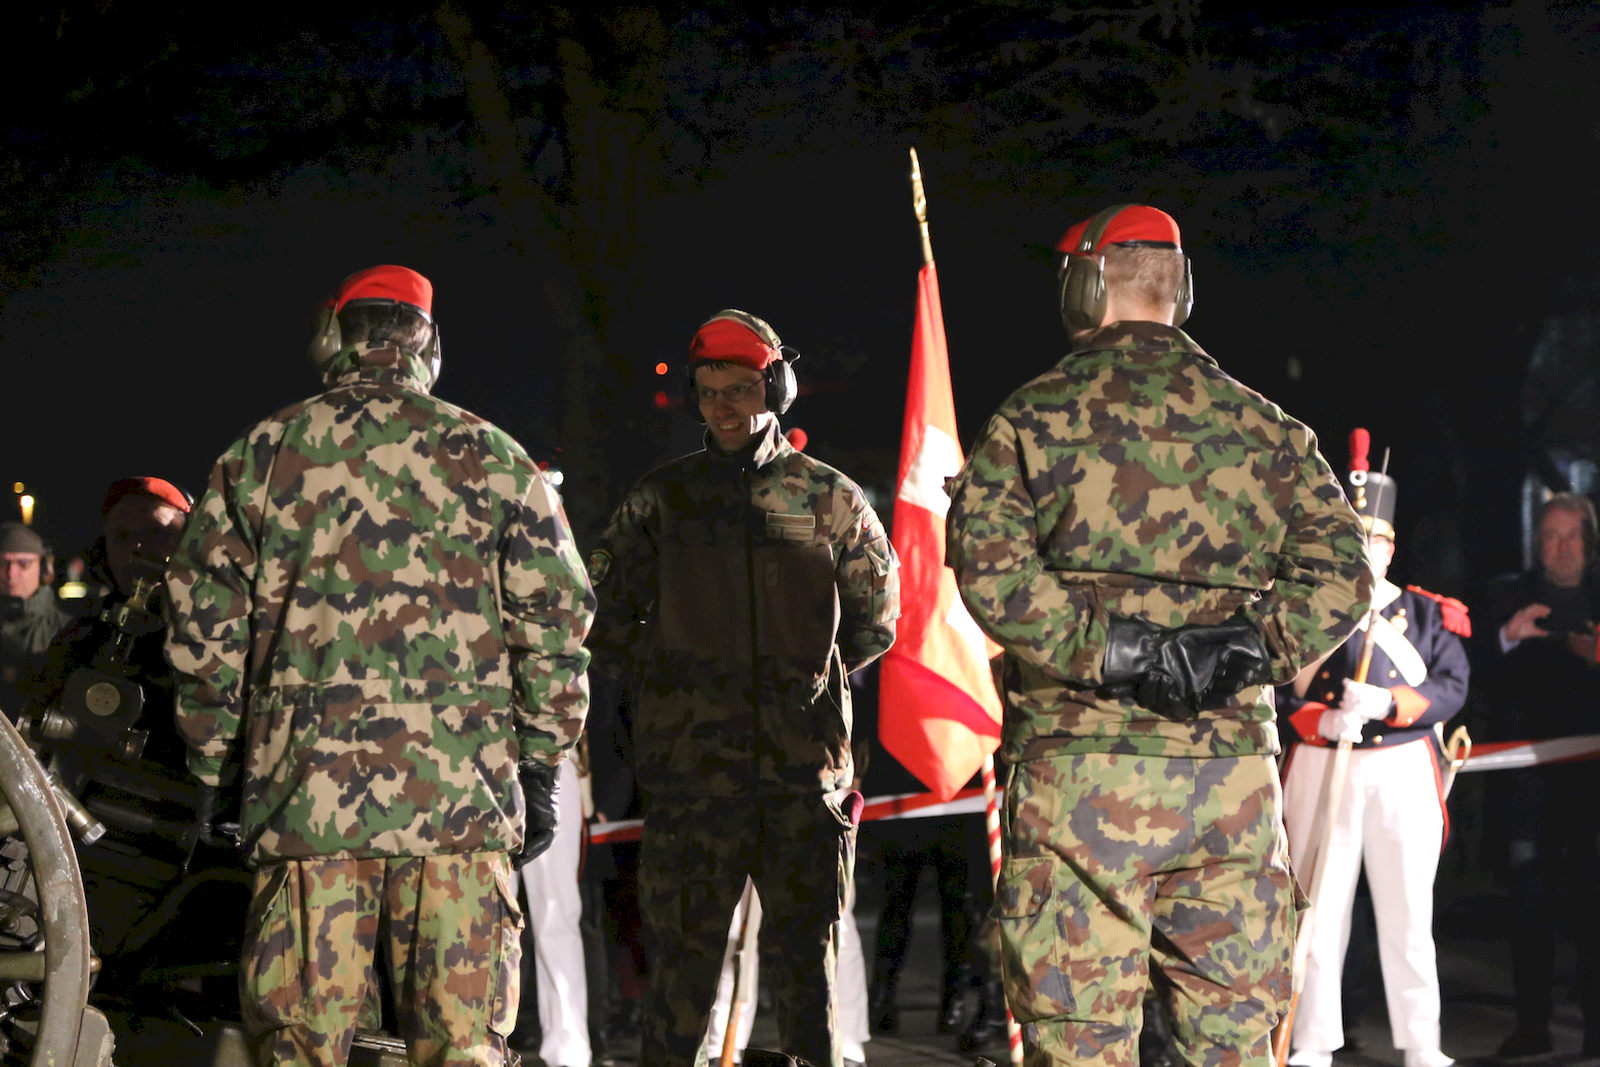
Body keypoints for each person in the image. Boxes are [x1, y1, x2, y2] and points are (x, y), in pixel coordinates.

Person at [945, 203, 1373, 1067]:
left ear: (1085, 286)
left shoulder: (1031, 420)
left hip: (1080, 781)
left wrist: (1108, 647)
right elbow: (1344, 575)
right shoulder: (1268, 428)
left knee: (1080, 1043)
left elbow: (991, 570)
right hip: (1229, 786)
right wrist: (1243, 650)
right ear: (1183, 292)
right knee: (1233, 1044)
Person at [164, 264, 595, 1067]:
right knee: (462, 1047)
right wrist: (541, 764)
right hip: (461, 808)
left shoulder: (265, 452)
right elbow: (556, 618)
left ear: (333, 337)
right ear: (431, 347)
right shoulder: (497, 457)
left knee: (301, 1047)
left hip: (307, 805)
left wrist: (216, 763)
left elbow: (203, 622)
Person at [586, 308, 900, 1067]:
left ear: (776, 389)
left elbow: (876, 621)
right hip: (692, 782)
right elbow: (601, 615)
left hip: (801, 779)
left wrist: (804, 684)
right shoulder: (659, 500)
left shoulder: (830, 498)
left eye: (740, 389)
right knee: (679, 984)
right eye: (708, 392)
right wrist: (670, 685)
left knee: (807, 982)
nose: (723, 407)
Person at [1277, 433, 1469, 1067]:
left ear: (1391, 548)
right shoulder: (1308, 612)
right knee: (1319, 912)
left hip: (1401, 767)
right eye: (1352, 541)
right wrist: (1319, 718)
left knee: (1408, 914)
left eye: (1375, 541)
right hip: (1322, 760)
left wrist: (1390, 704)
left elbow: (1452, 685)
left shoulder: (1428, 614)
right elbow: (1272, 689)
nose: (1365, 553)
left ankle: (1422, 1042)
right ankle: (1312, 1041)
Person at [1472, 490, 1600, 1059]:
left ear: (1589, 542)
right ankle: (1532, 1022)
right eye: (1551, 536)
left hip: (1593, 784)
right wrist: (1507, 638)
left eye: (1572, 535)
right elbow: (1467, 669)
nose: (1562, 547)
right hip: (1527, 781)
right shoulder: (1506, 595)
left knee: (1594, 902)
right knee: (1530, 902)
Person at [515, 749, 591, 1067]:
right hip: (481, 758)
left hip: (550, 756)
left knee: (557, 914)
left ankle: (568, 1051)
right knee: (481, 914)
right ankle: (473, 1043)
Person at [0, 519, 71, 719]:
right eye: (2, 562)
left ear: (43, 569)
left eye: (23, 564)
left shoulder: (68, 629)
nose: (11, 573)